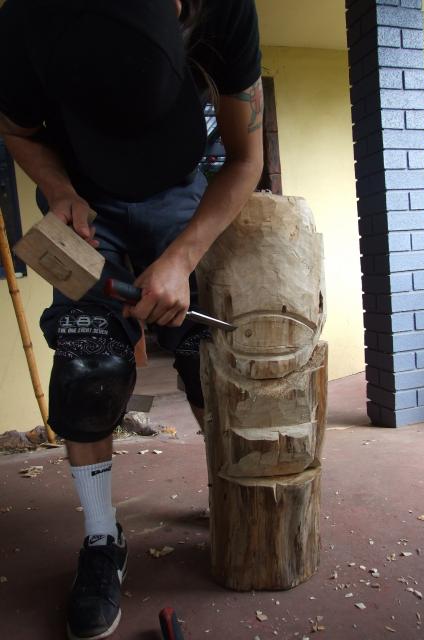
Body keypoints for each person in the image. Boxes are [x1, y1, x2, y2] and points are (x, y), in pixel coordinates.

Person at [0, 0, 264, 637]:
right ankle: (101, 538)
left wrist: (183, 256)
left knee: (205, 360)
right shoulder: (22, 22)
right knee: (87, 369)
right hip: (83, 199)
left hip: (182, 192)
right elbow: (19, 131)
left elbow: (245, 159)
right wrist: (60, 191)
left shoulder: (225, 9)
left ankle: (228, 499)